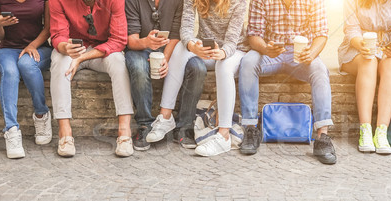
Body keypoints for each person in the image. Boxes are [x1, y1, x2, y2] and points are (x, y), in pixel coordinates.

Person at [238, 0, 336, 164]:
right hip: (269, 51)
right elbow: (254, 35)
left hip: (300, 54)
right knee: (247, 63)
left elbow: (321, 33)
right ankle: (250, 129)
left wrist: (311, 53)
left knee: (320, 70)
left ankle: (322, 137)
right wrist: (266, 49)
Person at [151, 0, 247, 157]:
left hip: (234, 50)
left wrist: (222, 53)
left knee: (223, 66)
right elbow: (186, 30)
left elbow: (232, 40)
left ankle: (223, 135)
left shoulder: (238, 2)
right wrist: (192, 45)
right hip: (207, 48)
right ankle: (165, 117)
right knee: (180, 47)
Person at [50, 0, 134, 157]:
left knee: (118, 62)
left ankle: (124, 133)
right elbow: (57, 35)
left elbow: (119, 40)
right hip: (71, 50)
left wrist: (82, 58)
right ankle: (65, 133)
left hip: (101, 51)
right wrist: (65, 47)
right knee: (59, 62)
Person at [125, 0, 206, 151]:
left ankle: (184, 126)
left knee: (198, 68)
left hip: (172, 49)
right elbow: (131, 41)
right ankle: (144, 125)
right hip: (140, 49)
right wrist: (146, 42)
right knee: (138, 67)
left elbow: (177, 35)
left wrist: (166, 59)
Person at [339, 0, 391, 154]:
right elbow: (351, 29)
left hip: (388, 48)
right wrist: (362, 45)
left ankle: (381, 131)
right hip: (357, 48)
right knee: (369, 61)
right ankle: (365, 129)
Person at [0, 0, 53, 159]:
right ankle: (11, 130)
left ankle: (41, 114)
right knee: (10, 71)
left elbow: (49, 28)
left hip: (39, 48)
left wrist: (32, 46)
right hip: (8, 49)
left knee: (26, 65)